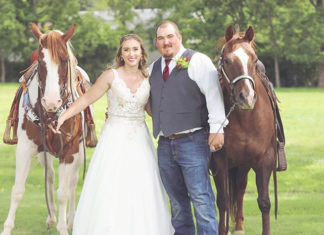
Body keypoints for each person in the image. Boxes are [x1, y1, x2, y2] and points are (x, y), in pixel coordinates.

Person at [55, 34, 174, 235]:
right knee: (112, 184)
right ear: (120, 53)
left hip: (140, 139)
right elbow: (86, 99)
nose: (131, 54)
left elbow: (151, 109)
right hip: (114, 137)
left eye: (135, 49)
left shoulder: (147, 77)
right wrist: (63, 116)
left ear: (141, 52)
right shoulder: (111, 75)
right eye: (126, 49)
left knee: (142, 185)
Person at [149, 20, 228, 235]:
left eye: (170, 36)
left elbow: (214, 95)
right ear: (156, 42)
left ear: (179, 37)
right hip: (164, 144)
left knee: (201, 199)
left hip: (193, 141)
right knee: (176, 203)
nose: (166, 42)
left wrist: (217, 128)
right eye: (161, 38)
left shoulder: (198, 61)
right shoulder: (153, 68)